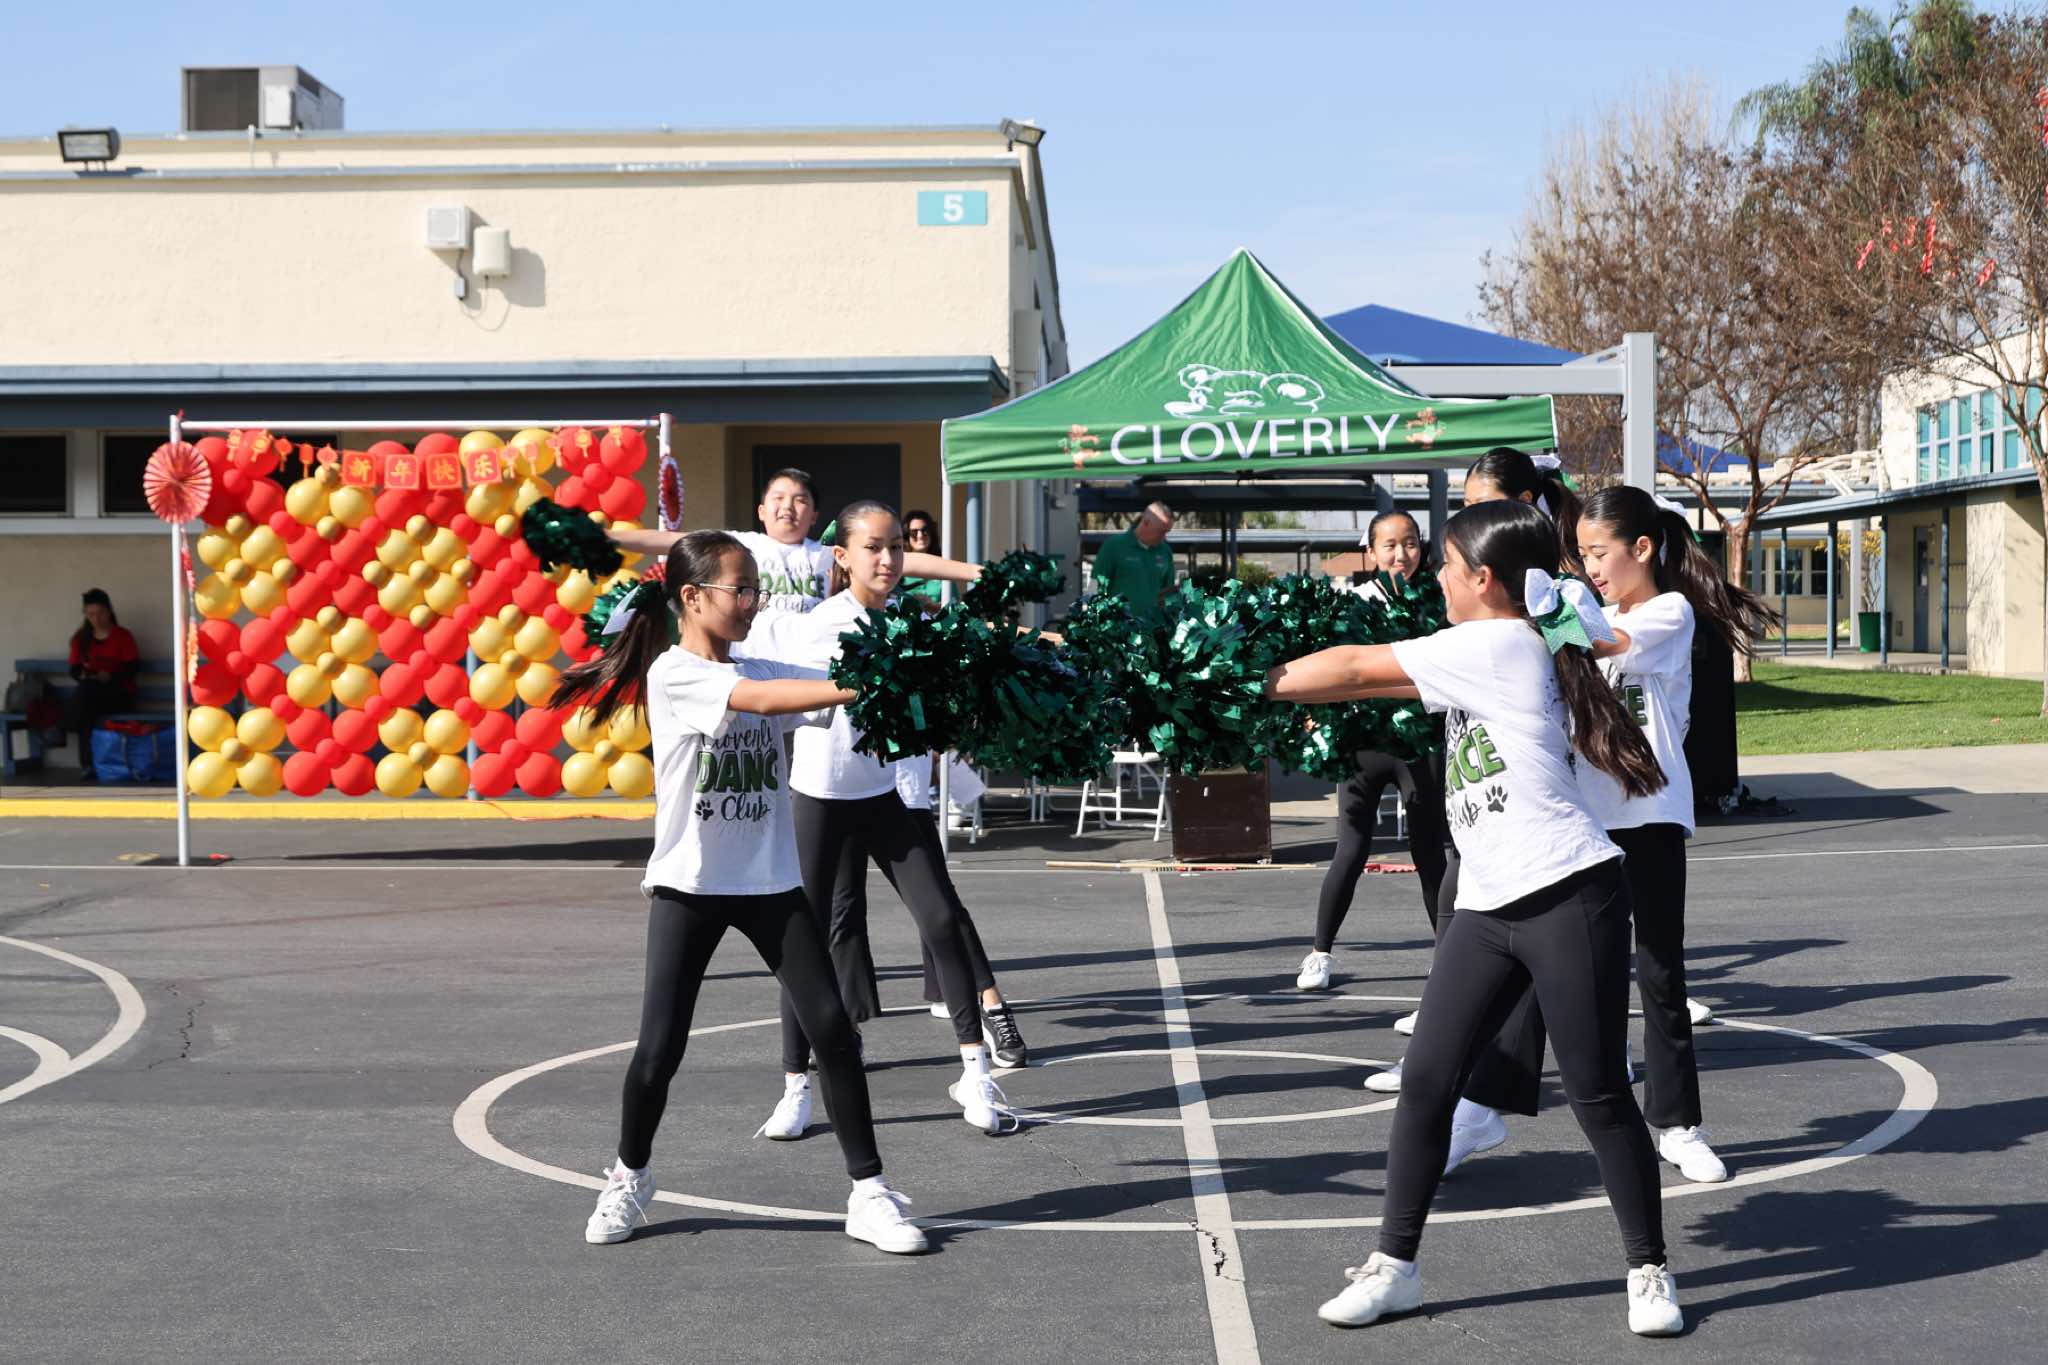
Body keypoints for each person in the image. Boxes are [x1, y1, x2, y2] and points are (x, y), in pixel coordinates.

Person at [1267, 498, 1683, 1337]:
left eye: (1448, 567)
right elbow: (1383, 680)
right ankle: (1395, 1266)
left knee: (1599, 1093)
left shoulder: (1497, 643)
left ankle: (1649, 1269)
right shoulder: (1502, 642)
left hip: (1568, 894)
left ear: (1484, 579)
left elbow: (1354, 669)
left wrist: (1245, 681)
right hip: (1488, 906)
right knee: (1426, 1082)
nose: (1438, 579)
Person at [553, 530, 927, 1255]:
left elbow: (818, 677)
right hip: (691, 884)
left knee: (834, 1031)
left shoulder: (761, 661)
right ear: (693, 598)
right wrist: (861, 683)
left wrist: (912, 669)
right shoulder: (675, 673)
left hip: (769, 882)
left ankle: (869, 1192)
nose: (754, 602)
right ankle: (629, 1175)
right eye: (741, 589)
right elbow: (760, 700)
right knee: (659, 1049)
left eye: (757, 588)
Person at [1457, 485, 1778, 1186]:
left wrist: (1552, 609)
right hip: (1577, 821)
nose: (1591, 566)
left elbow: (1608, 643)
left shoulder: (1669, 613)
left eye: (1600, 553)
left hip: (1649, 815)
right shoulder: (1586, 611)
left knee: (1659, 972)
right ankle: (1483, 1107)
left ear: (1643, 548)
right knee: (1537, 966)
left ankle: (1679, 1125)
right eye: (1582, 554)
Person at [750, 500, 1019, 1142]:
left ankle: (975, 1072)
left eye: (896, 546)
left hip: (882, 796)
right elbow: (774, 690)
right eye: (874, 547)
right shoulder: (817, 626)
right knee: (805, 941)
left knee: (941, 920)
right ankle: (795, 1087)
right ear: (842, 557)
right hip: (818, 799)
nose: (889, 558)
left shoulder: (912, 620)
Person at [1295, 511, 1449, 998]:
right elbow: (1328, 666)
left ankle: (1448, 957)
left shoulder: (1441, 600)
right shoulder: (1354, 602)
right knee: (1351, 847)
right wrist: (1313, 711)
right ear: (1371, 551)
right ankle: (1320, 951)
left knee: (1430, 851)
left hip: (1420, 741)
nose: (1401, 554)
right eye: (1390, 545)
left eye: (1410, 543)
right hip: (1363, 741)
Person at [68, 588, 139, 781]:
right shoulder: (81, 639)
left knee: (85, 699)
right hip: (91, 695)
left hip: (118, 694)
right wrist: (87, 674)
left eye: (100, 613)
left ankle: (68, 727)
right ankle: (88, 765)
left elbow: (132, 668)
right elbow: (74, 670)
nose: (96, 619)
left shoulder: (123, 636)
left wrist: (110, 676)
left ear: (109, 611)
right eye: (91, 614)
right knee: (86, 707)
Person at [1089, 501, 1176, 624]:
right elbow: (1095, 586)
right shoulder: (1114, 546)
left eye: (1167, 532)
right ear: (1146, 523)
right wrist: (1093, 620)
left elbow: (1168, 592)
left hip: (1153, 628)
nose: (1164, 537)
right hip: (1119, 627)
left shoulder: (1165, 551)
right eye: (1161, 531)